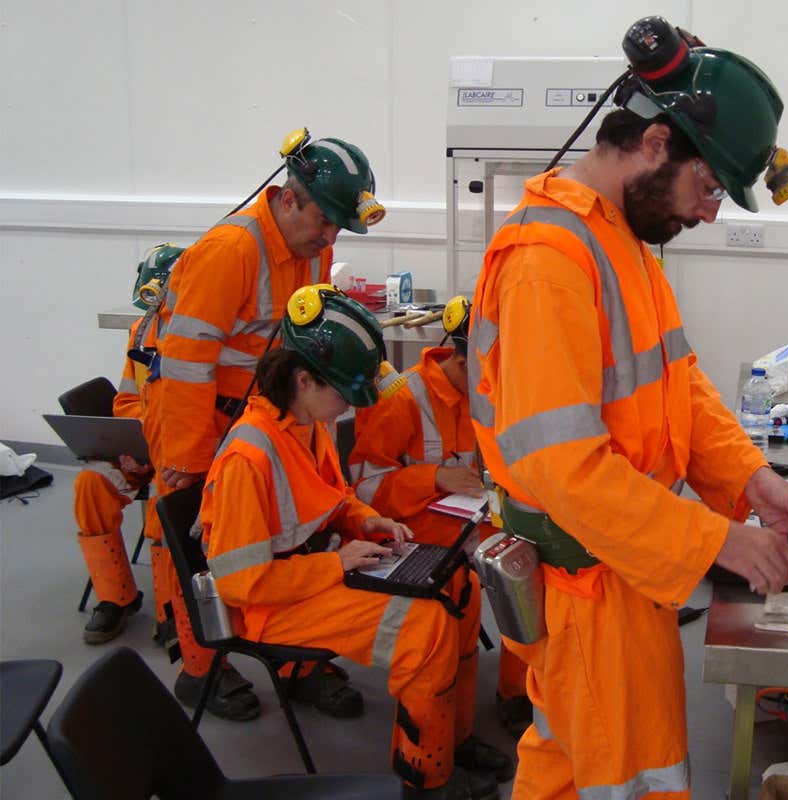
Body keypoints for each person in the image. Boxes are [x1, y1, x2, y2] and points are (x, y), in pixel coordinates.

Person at [467, 18, 788, 798]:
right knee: (624, 777)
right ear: (658, 142)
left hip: (622, 572)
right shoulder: (548, 266)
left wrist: (752, 481)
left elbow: (679, 387)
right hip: (586, 587)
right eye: (708, 188)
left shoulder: (618, 242)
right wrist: (717, 541)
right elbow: (564, 468)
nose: (708, 214)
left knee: (569, 766)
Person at [199, 286, 510, 800]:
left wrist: (367, 522)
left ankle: (453, 738)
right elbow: (238, 583)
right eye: (344, 393)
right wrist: (338, 563)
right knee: (424, 626)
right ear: (304, 380)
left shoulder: (306, 423)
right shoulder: (247, 459)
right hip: (271, 606)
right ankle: (426, 775)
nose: (349, 408)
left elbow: (337, 498)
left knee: (460, 586)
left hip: (315, 573)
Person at [142, 132, 386, 721]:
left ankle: (298, 664)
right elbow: (183, 365)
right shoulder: (231, 251)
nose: (329, 239)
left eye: (336, 229)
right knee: (203, 550)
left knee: (290, 530)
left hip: (266, 413)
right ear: (288, 197)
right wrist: (190, 458)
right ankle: (200, 672)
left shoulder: (312, 249)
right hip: (196, 420)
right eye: (324, 222)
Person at [347, 296, 532, 738]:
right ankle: (451, 731)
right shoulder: (399, 399)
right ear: (462, 358)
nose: (497, 386)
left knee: (526, 561)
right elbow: (364, 489)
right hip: (412, 525)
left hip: (474, 516)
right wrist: (435, 478)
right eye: (491, 373)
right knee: (460, 589)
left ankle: (518, 691)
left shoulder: (490, 393)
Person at [74, 244, 184, 644]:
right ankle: (115, 597)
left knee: (163, 500)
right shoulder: (141, 333)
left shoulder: (207, 342)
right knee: (90, 485)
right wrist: (134, 443)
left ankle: (173, 608)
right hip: (140, 450)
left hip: (182, 457)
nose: (155, 317)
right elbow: (126, 400)